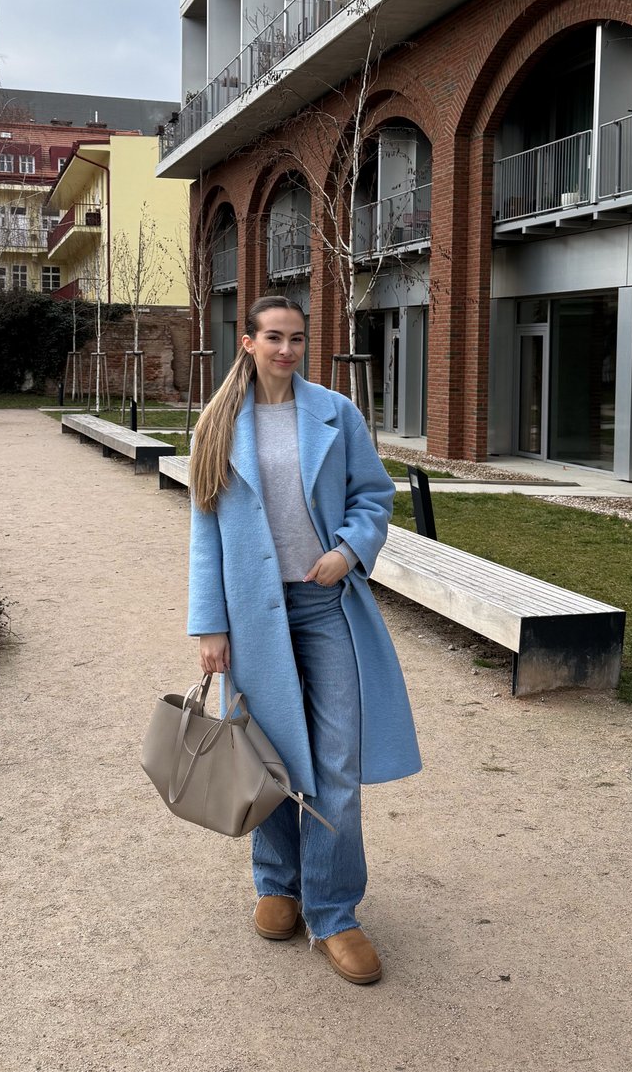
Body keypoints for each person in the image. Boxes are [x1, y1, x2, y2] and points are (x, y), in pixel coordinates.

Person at [187, 295, 421, 985]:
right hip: (253, 614)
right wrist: (209, 624)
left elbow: (372, 498)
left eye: (296, 339)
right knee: (268, 758)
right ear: (248, 341)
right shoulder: (219, 424)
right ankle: (276, 883)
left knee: (337, 762)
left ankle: (334, 910)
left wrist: (348, 552)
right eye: (274, 338)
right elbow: (205, 530)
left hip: (325, 606)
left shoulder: (336, 413)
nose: (286, 350)